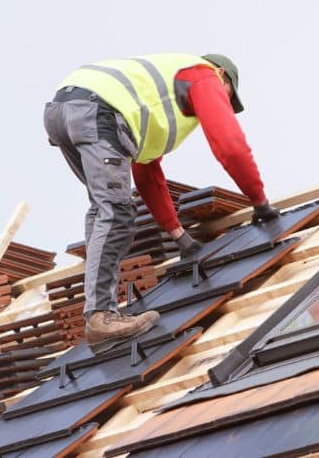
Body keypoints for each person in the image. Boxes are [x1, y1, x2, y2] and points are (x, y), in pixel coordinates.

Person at [43, 53, 280, 353]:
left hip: (65, 111)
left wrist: (179, 236)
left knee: (104, 208)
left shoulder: (151, 106)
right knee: (114, 212)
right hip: (96, 110)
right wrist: (260, 202)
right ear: (222, 74)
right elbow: (230, 146)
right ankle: (100, 317)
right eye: (228, 95)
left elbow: (147, 175)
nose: (224, 103)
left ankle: (98, 314)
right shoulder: (203, 75)